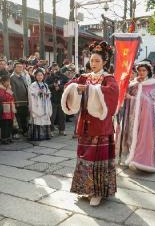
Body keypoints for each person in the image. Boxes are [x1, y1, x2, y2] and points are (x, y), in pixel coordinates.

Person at [61, 41, 119, 206]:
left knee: (97, 158)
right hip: (85, 122)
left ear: (104, 62)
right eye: (92, 60)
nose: (93, 64)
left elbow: (113, 94)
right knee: (84, 156)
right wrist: (76, 88)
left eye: (97, 61)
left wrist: (92, 90)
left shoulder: (108, 78)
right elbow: (69, 87)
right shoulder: (84, 77)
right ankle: (85, 188)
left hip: (100, 124)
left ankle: (98, 192)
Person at [120, 61, 155, 172]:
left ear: (148, 71)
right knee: (130, 134)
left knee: (142, 136)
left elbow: (151, 102)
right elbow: (124, 95)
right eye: (139, 70)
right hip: (131, 114)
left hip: (145, 116)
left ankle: (140, 159)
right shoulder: (133, 83)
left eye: (144, 70)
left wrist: (132, 98)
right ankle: (129, 157)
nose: (141, 73)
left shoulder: (152, 84)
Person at [29, 68, 52, 141]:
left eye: (41, 75)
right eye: (38, 75)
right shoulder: (33, 85)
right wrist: (38, 93)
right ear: (35, 76)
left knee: (44, 119)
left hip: (45, 104)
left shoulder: (45, 85)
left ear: (43, 76)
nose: (40, 77)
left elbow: (48, 93)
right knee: (38, 120)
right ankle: (37, 136)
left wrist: (47, 94)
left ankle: (45, 135)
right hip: (37, 105)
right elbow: (31, 94)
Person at [46, 63, 69, 136]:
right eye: (54, 69)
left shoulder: (63, 76)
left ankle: (62, 130)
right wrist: (53, 85)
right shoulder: (49, 77)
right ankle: (51, 130)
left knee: (62, 115)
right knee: (52, 116)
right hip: (52, 98)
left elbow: (67, 85)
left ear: (59, 68)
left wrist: (60, 87)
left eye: (56, 69)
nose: (55, 70)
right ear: (51, 69)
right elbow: (46, 86)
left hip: (61, 98)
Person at [10, 61, 29, 137]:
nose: (20, 68)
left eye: (21, 67)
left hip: (25, 100)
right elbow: (13, 91)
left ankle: (25, 131)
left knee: (24, 117)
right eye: (18, 67)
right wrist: (15, 102)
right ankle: (18, 132)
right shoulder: (12, 77)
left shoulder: (23, 76)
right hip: (18, 101)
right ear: (14, 68)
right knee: (18, 118)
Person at [0, 75, 16, 144]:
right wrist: (7, 91)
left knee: (10, 122)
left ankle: (9, 137)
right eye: (7, 81)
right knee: (5, 123)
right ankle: (4, 138)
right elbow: (3, 97)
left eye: (9, 81)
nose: (8, 83)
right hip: (4, 107)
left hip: (10, 107)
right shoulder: (0, 88)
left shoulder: (7, 88)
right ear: (2, 81)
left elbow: (12, 96)